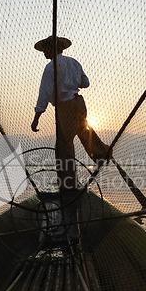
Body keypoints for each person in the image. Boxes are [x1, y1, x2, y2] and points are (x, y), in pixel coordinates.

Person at [31, 35, 109, 190]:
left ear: (52, 49)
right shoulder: (73, 62)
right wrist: (71, 81)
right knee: (83, 131)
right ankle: (100, 152)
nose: (44, 53)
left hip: (65, 106)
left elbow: (44, 93)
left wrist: (37, 117)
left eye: (45, 49)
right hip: (79, 102)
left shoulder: (50, 67)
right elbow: (85, 83)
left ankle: (68, 184)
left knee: (64, 145)